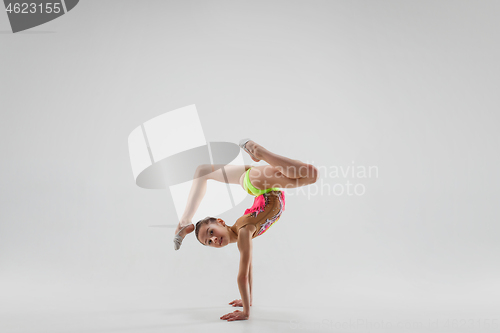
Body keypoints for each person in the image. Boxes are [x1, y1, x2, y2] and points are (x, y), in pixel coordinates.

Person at [173, 139, 318, 321]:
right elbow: (248, 269)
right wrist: (245, 300)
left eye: (211, 232)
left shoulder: (242, 232)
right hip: (255, 182)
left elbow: (241, 276)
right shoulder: (241, 232)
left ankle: (259, 151)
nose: (214, 240)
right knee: (203, 171)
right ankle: (185, 221)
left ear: (221, 222)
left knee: (311, 174)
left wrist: (246, 313)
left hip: (260, 183)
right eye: (208, 242)